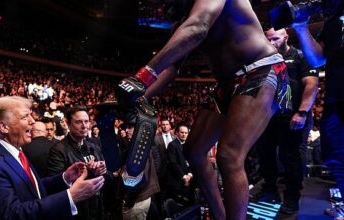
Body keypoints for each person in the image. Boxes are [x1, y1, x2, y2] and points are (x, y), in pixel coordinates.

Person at [115, 0, 291, 218]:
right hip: (228, 82)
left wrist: (142, 76)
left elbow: (199, 26)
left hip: (262, 68)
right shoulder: (182, 18)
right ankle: (220, 215)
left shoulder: (197, 15)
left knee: (229, 155)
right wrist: (137, 97)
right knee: (194, 150)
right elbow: (171, 67)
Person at [0, 96, 105, 219]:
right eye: (25, 117)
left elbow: (31, 189)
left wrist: (64, 178)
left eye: (31, 115)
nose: (33, 121)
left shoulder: (15, 151)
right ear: (3, 127)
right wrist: (71, 196)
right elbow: (11, 215)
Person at [252, 28, 319, 214]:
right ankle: (270, 191)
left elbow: (312, 84)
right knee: (265, 156)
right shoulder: (262, 59)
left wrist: (302, 112)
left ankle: (291, 197)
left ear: (286, 37)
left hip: (293, 117)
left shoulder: (299, 56)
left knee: (291, 159)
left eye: (275, 38)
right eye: (268, 39)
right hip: (267, 117)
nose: (271, 42)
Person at [290, 1, 344, 218]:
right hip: (336, 100)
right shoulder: (333, 21)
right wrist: (301, 26)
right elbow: (317, 58)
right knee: (336, 155)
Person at [47, 105, 108, 220]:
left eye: (86, 121)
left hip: (97, 209)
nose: (84, 126)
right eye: (79, 122)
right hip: (76, 213)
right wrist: (85, 173)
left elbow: (106, 178)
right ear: (69, 124)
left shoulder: (94, 147)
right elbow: (53, 186)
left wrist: (103, 171)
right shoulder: (58, 150)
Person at [166, 124, 194, 206]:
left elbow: (192, 161)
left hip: (188, 179)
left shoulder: (189, 144)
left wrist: (189, 174)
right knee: (177, 206)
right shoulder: (172, 145)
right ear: (177, 133)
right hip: (176, 181)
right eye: (182, 132)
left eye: (186, 133)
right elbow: (173, 163)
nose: (184, 134)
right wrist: (184, 176)